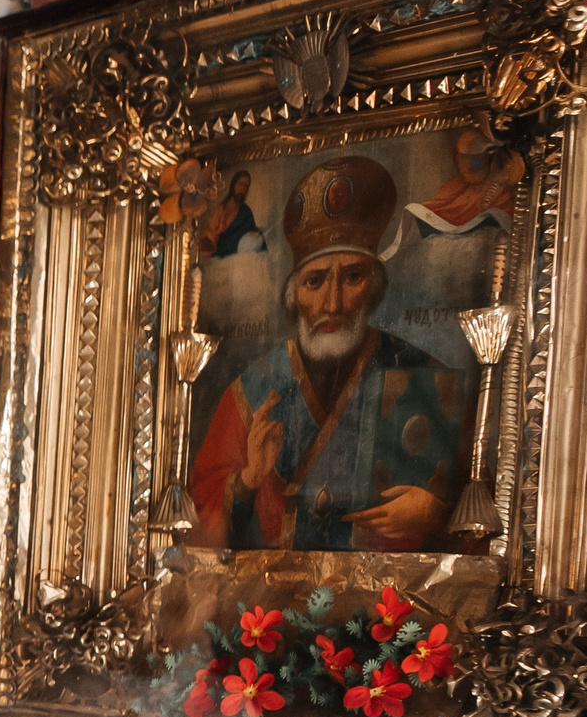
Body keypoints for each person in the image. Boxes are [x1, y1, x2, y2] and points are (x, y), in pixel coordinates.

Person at [190, 156, 468, 553]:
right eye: (315, 281)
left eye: (353, 277)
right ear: (293, 294)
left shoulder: (424, 377)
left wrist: (437, 515)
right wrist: (249, 479)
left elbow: (481, 516)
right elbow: (198, 520)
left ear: (373, 285)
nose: (332, 303)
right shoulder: (252, 392)